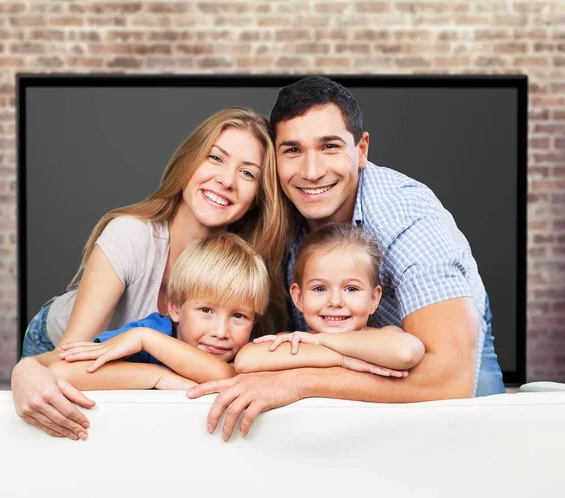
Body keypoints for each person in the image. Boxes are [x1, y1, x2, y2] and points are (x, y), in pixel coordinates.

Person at [187, 76, 506, 442]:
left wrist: (299, 382)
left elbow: (450, 379)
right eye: (292, 150)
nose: (311, 171)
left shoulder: (409, 219)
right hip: (340, 368)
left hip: (439, 367)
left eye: (329, 147)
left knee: (473, 433)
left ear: (362, 149)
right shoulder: (275, 208)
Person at [11, 107, 291, 440]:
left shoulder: (242, 265)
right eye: (215, 158)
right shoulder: (130, 235)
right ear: (189, 162)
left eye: (247, 174)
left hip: (139, 362)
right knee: (60, 417)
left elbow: (227, 372)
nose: (227, 180)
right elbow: (66, 361)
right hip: (60, 345)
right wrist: (26, 369)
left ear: (257, 197)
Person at [49, 232, 270, 392]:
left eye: (238, 316)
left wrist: (145, 340)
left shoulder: (248, 353)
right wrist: (157, 376)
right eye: (206, 310)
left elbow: (223, 375)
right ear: (174, 307)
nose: (221, 332)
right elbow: (61, 372)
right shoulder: (149, 332)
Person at [234, 222, 425, 376]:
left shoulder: (385, 335)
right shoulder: (291, 341)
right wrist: (342, 360)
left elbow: (405, 353)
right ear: (298, 297)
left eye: (351, 288)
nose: (335, 302)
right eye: (319, 288)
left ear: (374, 299)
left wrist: (321, 341)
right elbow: (245, 360)